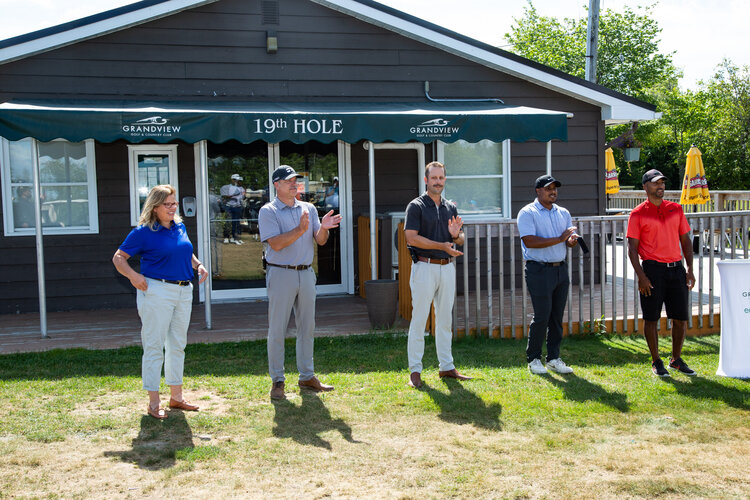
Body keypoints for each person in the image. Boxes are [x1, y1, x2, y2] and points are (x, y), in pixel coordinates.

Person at [112, 184, 208, 419]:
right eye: (168, 204)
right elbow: (119, 258)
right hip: (156, 291)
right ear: (155, 207)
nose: (173, 207)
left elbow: (184, 251)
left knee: (177, 345)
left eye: (174, 203)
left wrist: (198, 264)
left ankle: (176, 397)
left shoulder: (179, 226)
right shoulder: (143, 232)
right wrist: (133, 276)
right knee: (154, 346)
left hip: (184, 291)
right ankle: (154, 402)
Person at [258, 165, 342, 400]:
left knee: (307, 326)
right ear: (277, 184)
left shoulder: (309, 208)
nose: (294, 184)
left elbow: (320, 240)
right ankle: (278, 380)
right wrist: (300, 229)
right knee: (277, 329)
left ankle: (306, 376)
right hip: (281, 273)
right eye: (288, 181)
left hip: (306, 273)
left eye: (295, 180)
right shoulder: (268, 211)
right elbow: (275, 244)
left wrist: (323, 229)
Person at [404, 161, 470, 388]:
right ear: (426, 180)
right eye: (434, 178)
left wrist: (455, 237)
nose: (438, 182)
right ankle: (415, 371)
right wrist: (442, 245)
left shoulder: (450, 207)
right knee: (420, 319)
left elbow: (459, 238)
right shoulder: (416, 206)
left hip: (447, 267)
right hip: (424, 267)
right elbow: (411, 238)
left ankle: (446, 367)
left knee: (445, 320)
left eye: (441, 178)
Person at [627, 169, 697, 377]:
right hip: (652, 270)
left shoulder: (676, 209)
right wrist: (641, 276)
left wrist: (690, 269)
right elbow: (632, 249)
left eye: (663, 183)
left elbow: (685, 240)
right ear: (645, 187)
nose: (661, 186)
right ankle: (656, 361)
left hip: (676, 269)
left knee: (681, 318)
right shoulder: (637, 213)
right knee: (651, 318)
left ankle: (676, 359)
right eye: (656, 183)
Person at [517, 175, 578, 375]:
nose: (553, 192)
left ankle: (553, 358)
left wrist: (570, 241)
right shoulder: (528, 212)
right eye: (548, 188)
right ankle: (533, 359)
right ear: (538, 191)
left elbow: (566, 240)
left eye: (555, 188)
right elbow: (530, 241)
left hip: (560, 268)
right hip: (538, 269)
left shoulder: (563, 213)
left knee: (556, 317)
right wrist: (560, 238)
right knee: (542, 315)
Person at [220, 173, 245, 245]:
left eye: (237, 180)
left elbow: (242, 197)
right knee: (228, 222)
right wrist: (232, 196)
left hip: (237, 207)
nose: (236, 181)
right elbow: (224, 197)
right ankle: (226, 237)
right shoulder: (228, 187)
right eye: (234, 180)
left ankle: (234, 237)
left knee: (236, 223)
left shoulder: (241, 189)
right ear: (232, 180)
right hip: (229, 206)